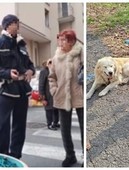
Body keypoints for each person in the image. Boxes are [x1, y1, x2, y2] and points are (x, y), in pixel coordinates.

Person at [0, 14, 35, 159]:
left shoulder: (22, 44)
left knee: (20, 125)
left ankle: (15, 155)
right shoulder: (1, 42)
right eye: (14, 22)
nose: (17, 25)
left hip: (22, 89)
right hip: (6, 90)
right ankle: (2, 155)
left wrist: (30, 71)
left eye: (17, 22)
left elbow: (30, 64)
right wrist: (7, 73)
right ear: (7, 25)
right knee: (3, 125)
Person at [49, 29, 84, 167]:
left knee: (83, 128)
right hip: (62, 95)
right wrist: (53, 90)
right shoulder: (56, 57)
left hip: (79, 94)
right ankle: (70, 156)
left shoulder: (81, 53)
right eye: (59, 39)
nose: (60, 42)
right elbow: (52, 77)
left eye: (63, 39)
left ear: (71, 41)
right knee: (65, 129)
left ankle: (85, 157)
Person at [39, 59, 60, 130]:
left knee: (56, 109)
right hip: (47, 95)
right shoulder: (44, 71)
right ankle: (49, 124)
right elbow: (41, 84)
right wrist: (42, 97)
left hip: (55, 93)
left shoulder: (54, 71)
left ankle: (55, 123)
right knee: (49, 110)